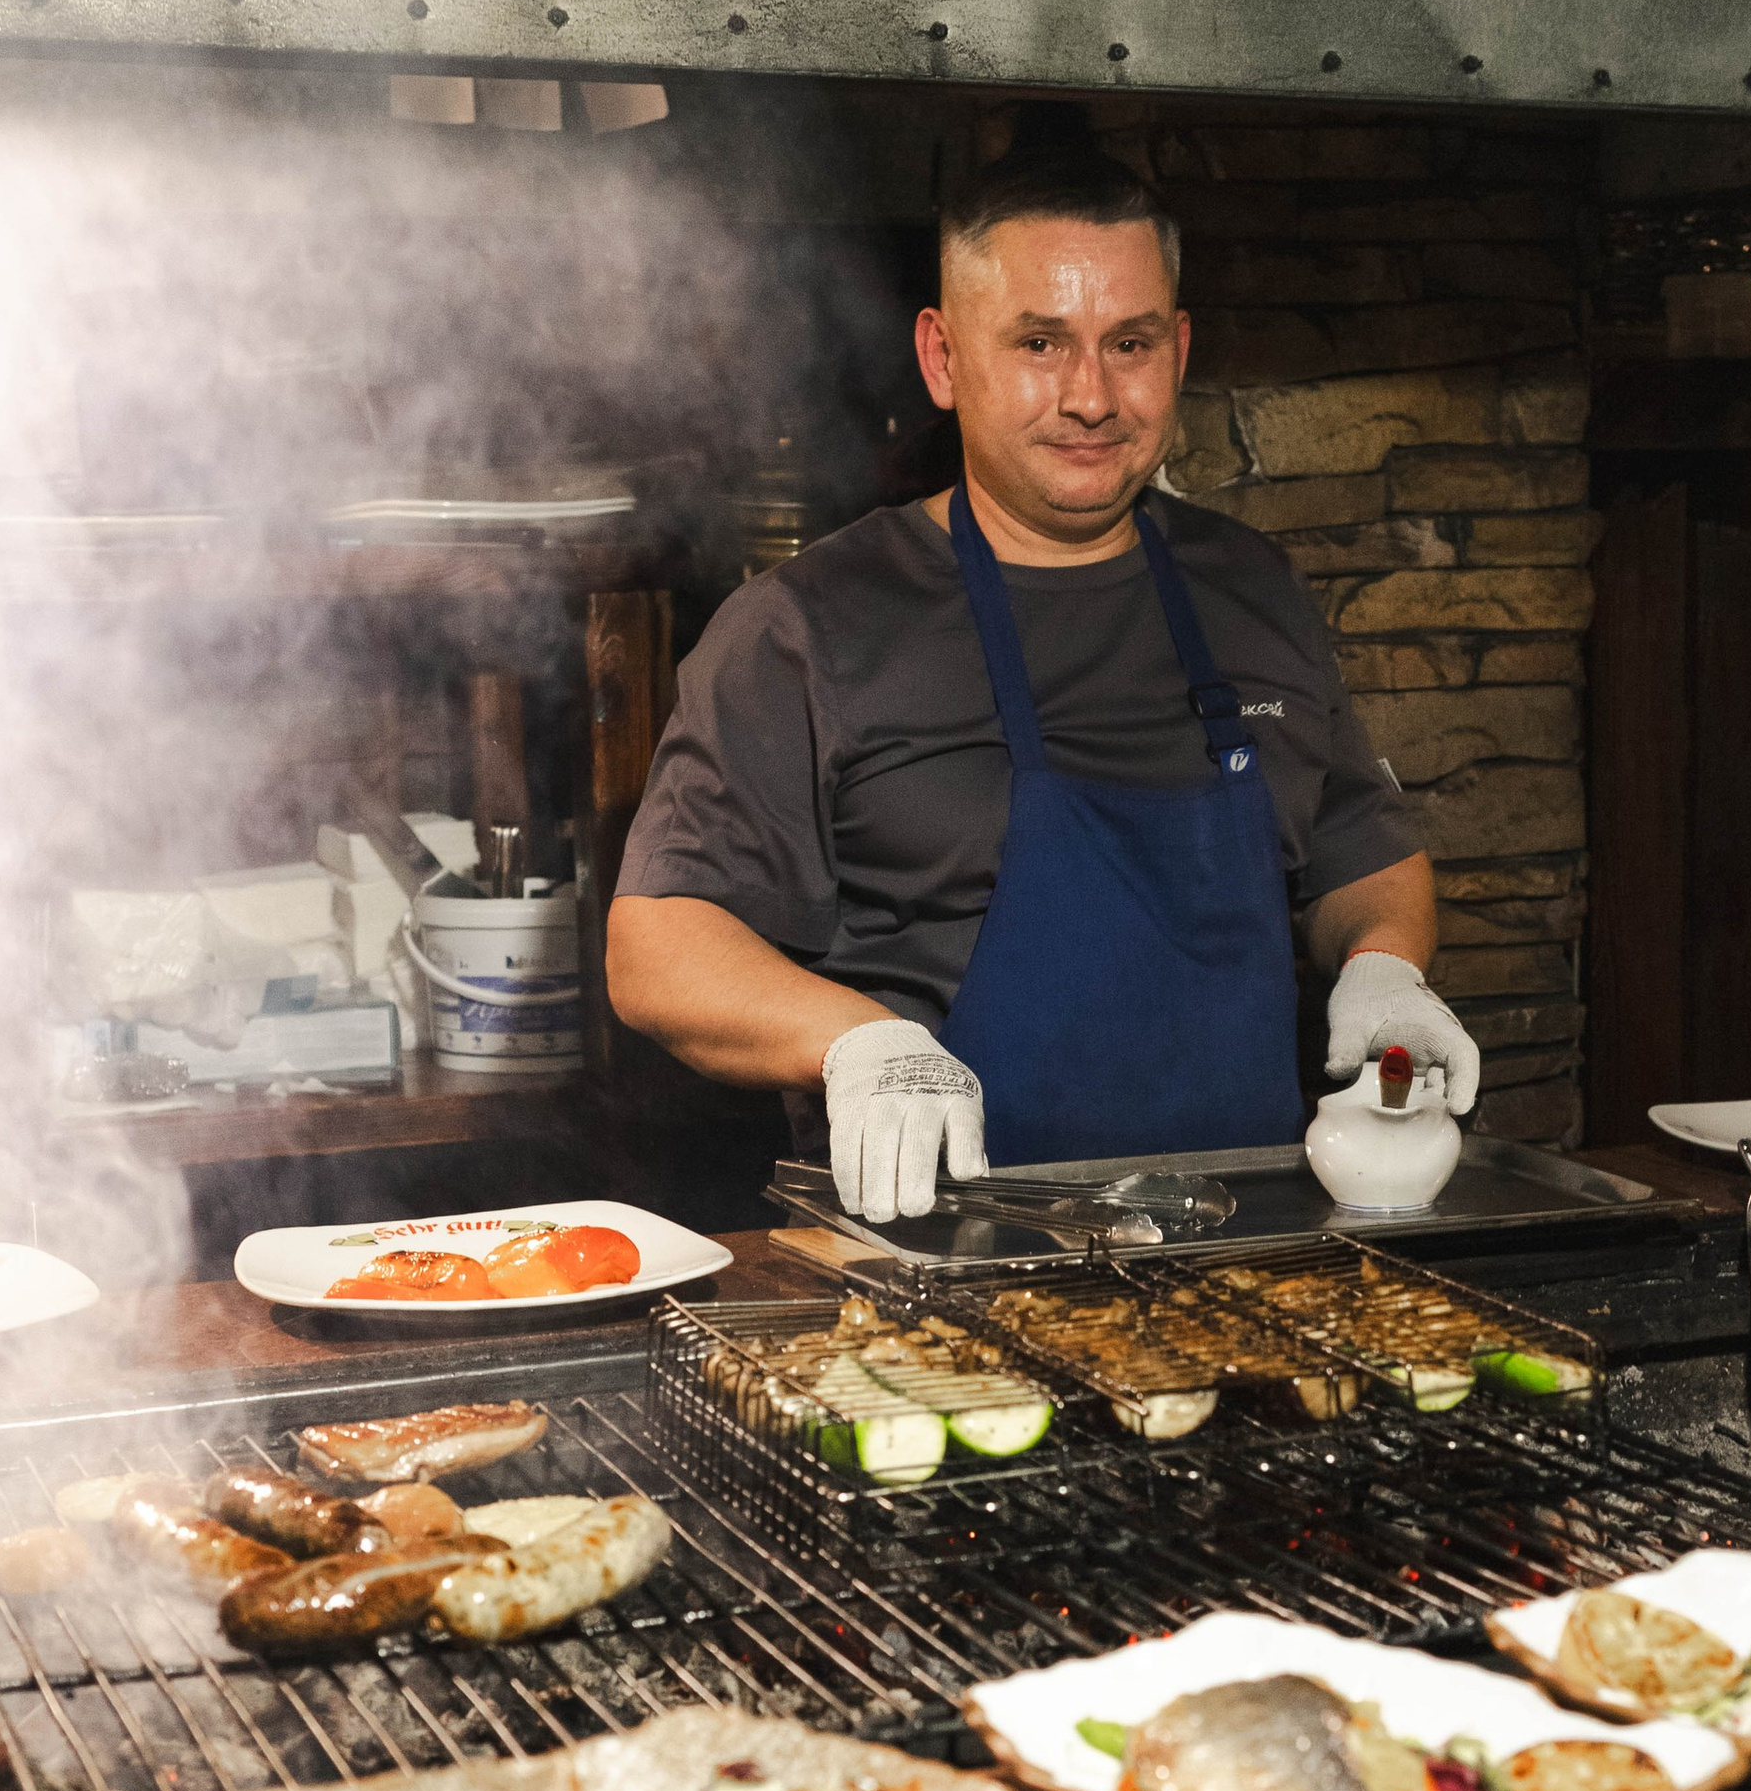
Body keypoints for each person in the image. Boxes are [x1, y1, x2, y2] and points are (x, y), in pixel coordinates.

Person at [606, 152, 1471, 1218]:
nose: (1090, 397)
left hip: (1253, 1253)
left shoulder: (1252, 587)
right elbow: (658, 947)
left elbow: (1364, 853)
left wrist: (1385, 968)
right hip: (941, 1263)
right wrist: (858, 1041)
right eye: (1039, 343)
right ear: (942, 357)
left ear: (1179, 349)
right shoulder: (806, 626)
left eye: (1130, 344)